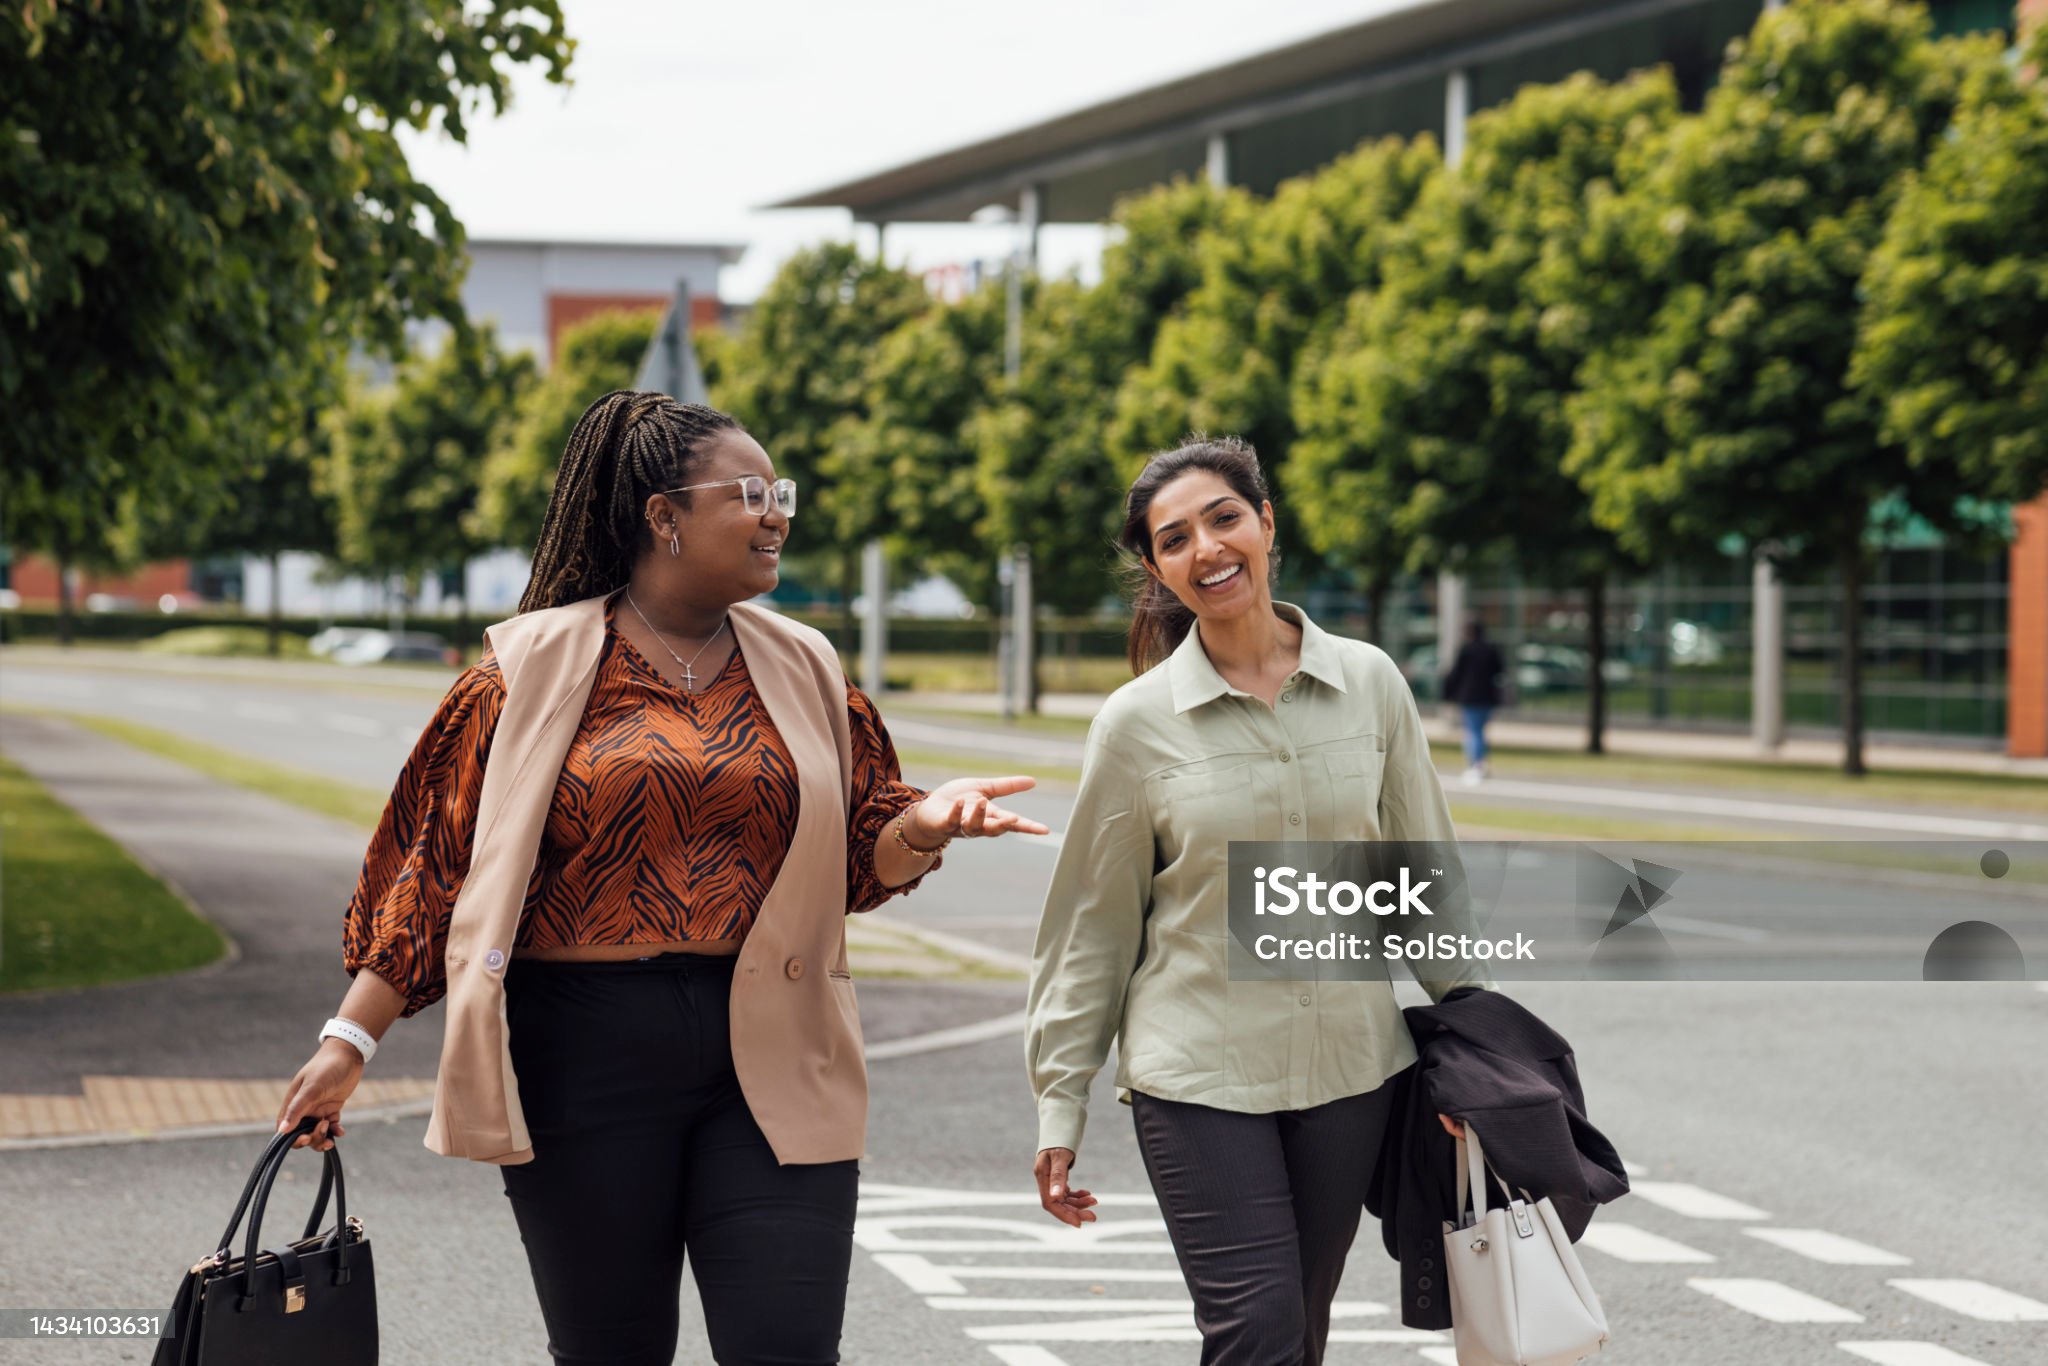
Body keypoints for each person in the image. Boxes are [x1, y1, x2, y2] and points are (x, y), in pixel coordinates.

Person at [275, 390, 1048, 1365]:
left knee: (786, 1347)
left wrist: (925, 824)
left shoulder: (806, 665)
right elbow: (432, 867)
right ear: (662, 516)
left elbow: (861, 855)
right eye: (751, 492)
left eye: (782, 492)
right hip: (583, 1055)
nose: (778, 513)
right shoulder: (526, 668)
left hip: (774, 1044)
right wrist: (349, 1039)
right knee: (612, 1350)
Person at [1024, 436, 1493, 1366]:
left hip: (1351, 1071)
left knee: (1300, 1329)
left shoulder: (1370, 683)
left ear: (1266, 523)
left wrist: (1477, 1052)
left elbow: (1424, 883)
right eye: (1174, 538)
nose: (1206, 548)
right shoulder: (1135, 724)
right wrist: (1059, 1102)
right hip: (1197, 1073)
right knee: (1259, 1328)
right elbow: (1092, 927)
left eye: (1224, 518)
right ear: (1157, 567)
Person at [1440, 616, 1505, 785]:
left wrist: (1447, 694)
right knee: (1480, 731)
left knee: (1473, 731)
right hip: (1488, 698)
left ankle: (1476, 765)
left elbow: (1456, 673)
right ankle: (1481, 762)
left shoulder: (1467, 649)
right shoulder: (1491, 648)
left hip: (1470, 697)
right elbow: (1499, 670)